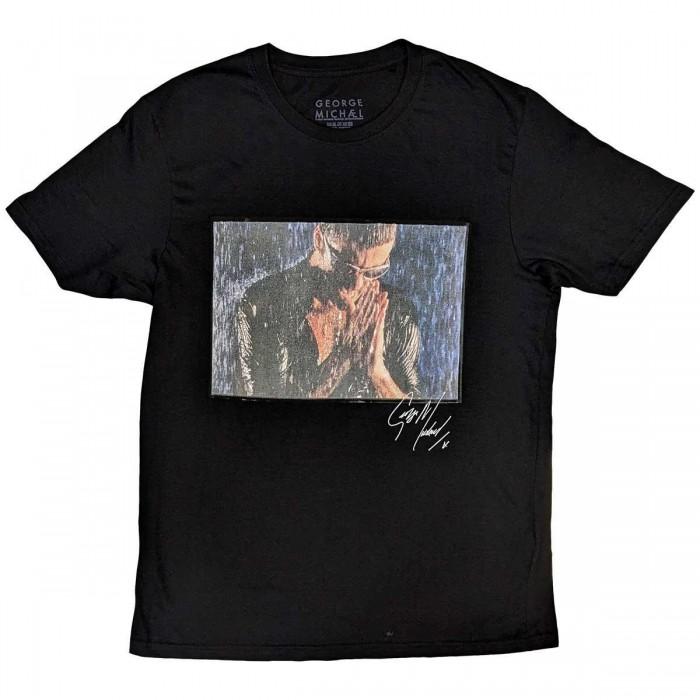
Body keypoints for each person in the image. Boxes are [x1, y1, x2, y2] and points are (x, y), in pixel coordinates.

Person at [234, 222, 421, 399]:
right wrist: (343, 357)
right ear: (318, 239)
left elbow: (415, 416)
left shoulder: (398, 312)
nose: (356, 285)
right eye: (346, 268)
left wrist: (378, 373)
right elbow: (264, 415)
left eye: (373, 272)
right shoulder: (264, 305)